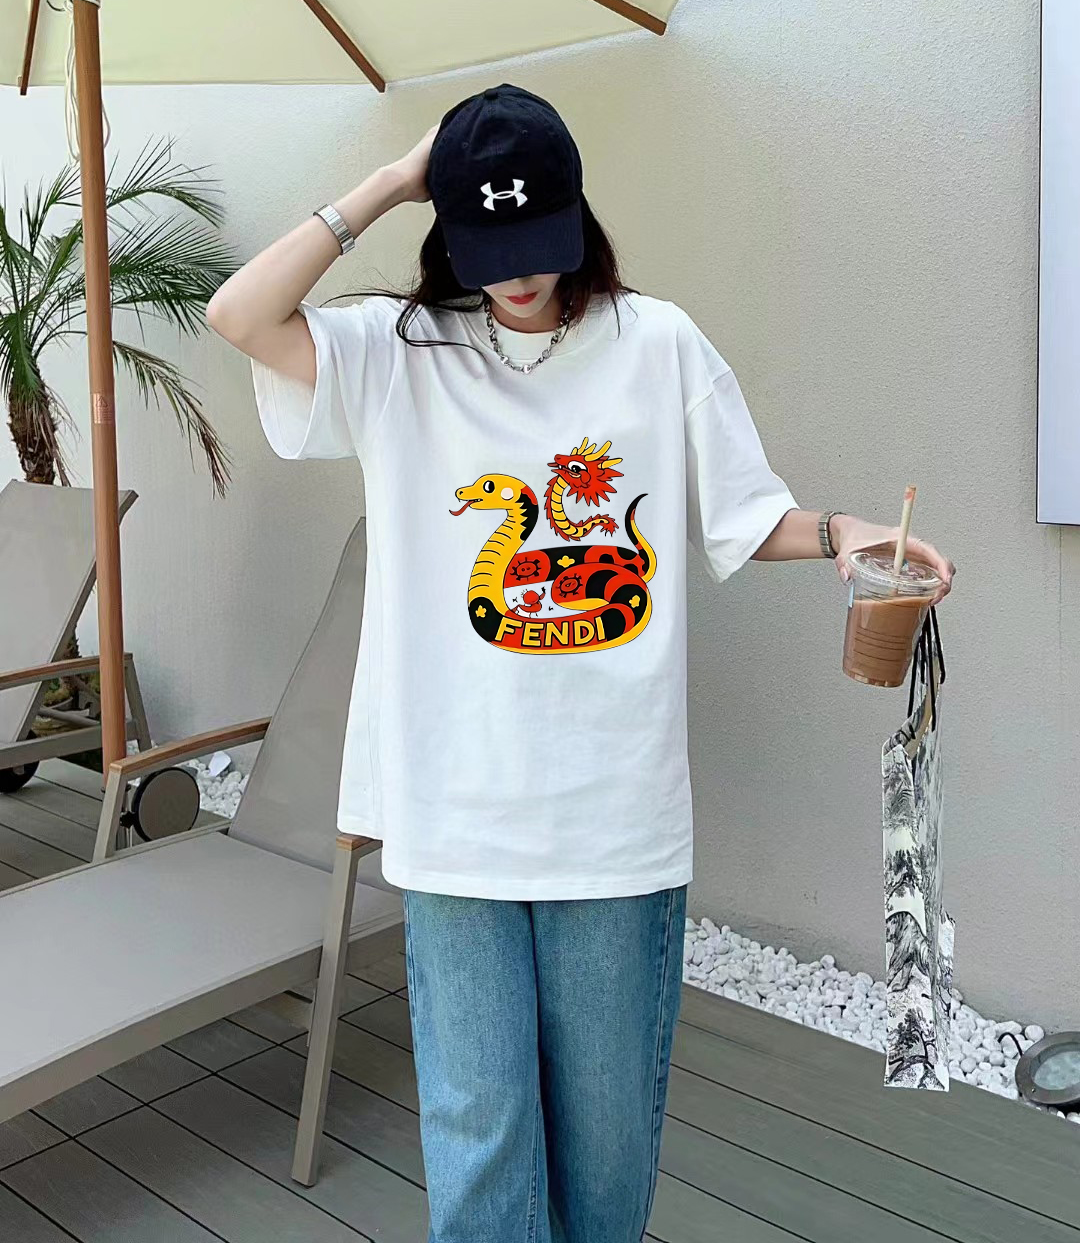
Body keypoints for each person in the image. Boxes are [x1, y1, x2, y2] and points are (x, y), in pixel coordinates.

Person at [206, 82, 954, 1243]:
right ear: (450, 233)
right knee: (481, 1137)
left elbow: (746, 517)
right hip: (453, 815)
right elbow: (240, 313)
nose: (517, 276)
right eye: (487, 245)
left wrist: (845, 534)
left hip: (613, 818)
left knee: (605, 1150)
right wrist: (395, 181)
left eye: (538, 242)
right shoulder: (399, 351)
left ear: (578, 217)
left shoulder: (658, 342)